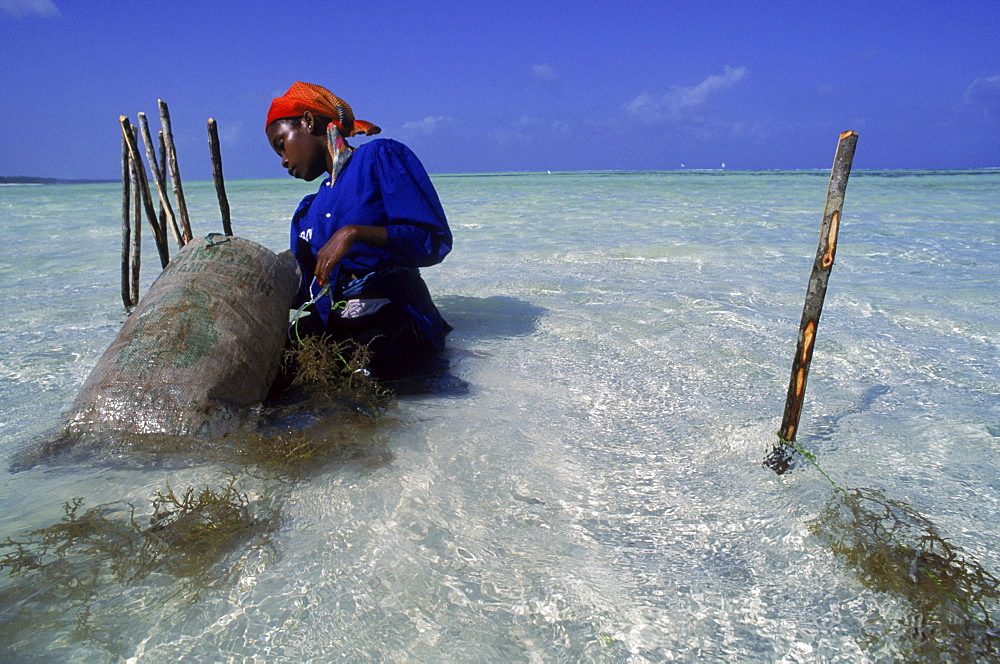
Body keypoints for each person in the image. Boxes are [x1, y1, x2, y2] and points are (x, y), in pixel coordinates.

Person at [265, 82, 452, 381]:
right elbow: (309, 288)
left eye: (281, 144)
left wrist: (354, 233)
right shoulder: (309, 210)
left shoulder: (379, 158)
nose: (284, 161)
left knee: (361, 381)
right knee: (280, 377)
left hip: (394, 316)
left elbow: (431, 241)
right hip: (338, 322)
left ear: (308, 122)